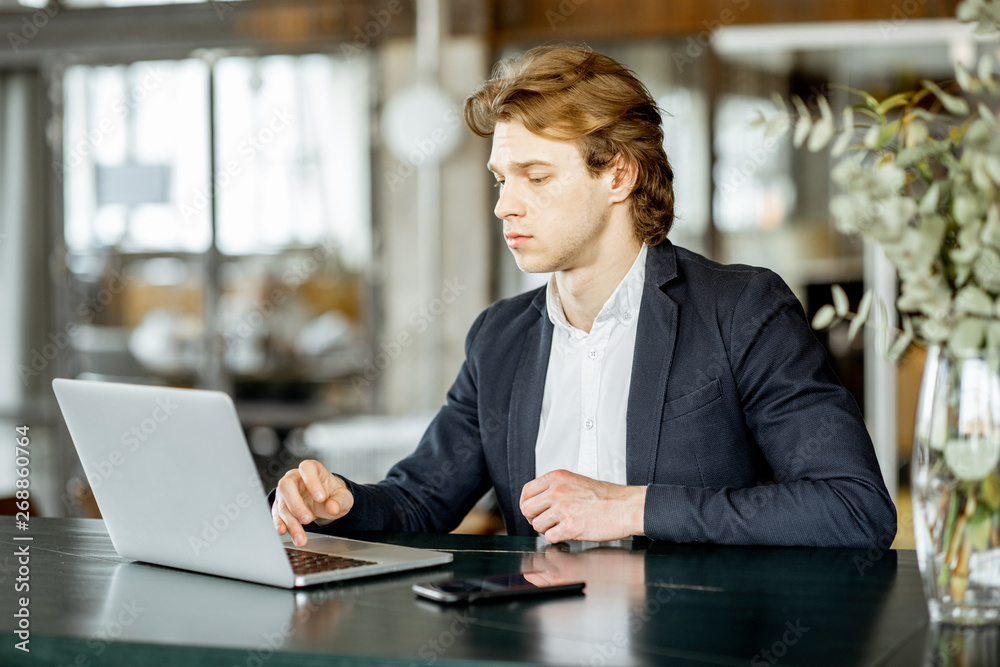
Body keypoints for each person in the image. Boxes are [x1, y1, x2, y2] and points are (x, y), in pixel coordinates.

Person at [270, 45, 896, 549]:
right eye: (501, 179)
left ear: (618, 174)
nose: (504, 205)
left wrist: (631, 507)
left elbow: (852, 507)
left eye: (536, 178)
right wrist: (345, 503)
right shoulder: (499, 338)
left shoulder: (741, 311)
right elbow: (419, 501)